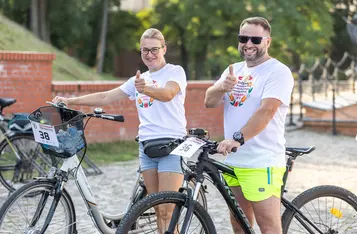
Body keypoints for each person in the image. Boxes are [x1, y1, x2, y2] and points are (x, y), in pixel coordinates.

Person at [53, 28, 187, 233]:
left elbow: (168, 93)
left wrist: (146, 89)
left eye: (154, 50)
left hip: (172, 145)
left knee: (168, 211)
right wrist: (70, 101)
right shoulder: (138, 80)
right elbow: (106, 97)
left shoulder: (174, 72)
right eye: (144, 51)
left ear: (164, 49)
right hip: (147, 146)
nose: (149, 55)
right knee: (157, 209)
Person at [204, 17, 294, 234]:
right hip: (234, 161)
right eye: (244, 38)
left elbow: (266, 111)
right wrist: (222, 88)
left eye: (255, 39)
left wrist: (237, 138)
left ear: (267, 41)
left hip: (262, 161)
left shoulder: (277, 72)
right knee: (239, 223)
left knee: (268, 225)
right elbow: (209, 101)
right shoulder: (234, 70)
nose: (249, 44)